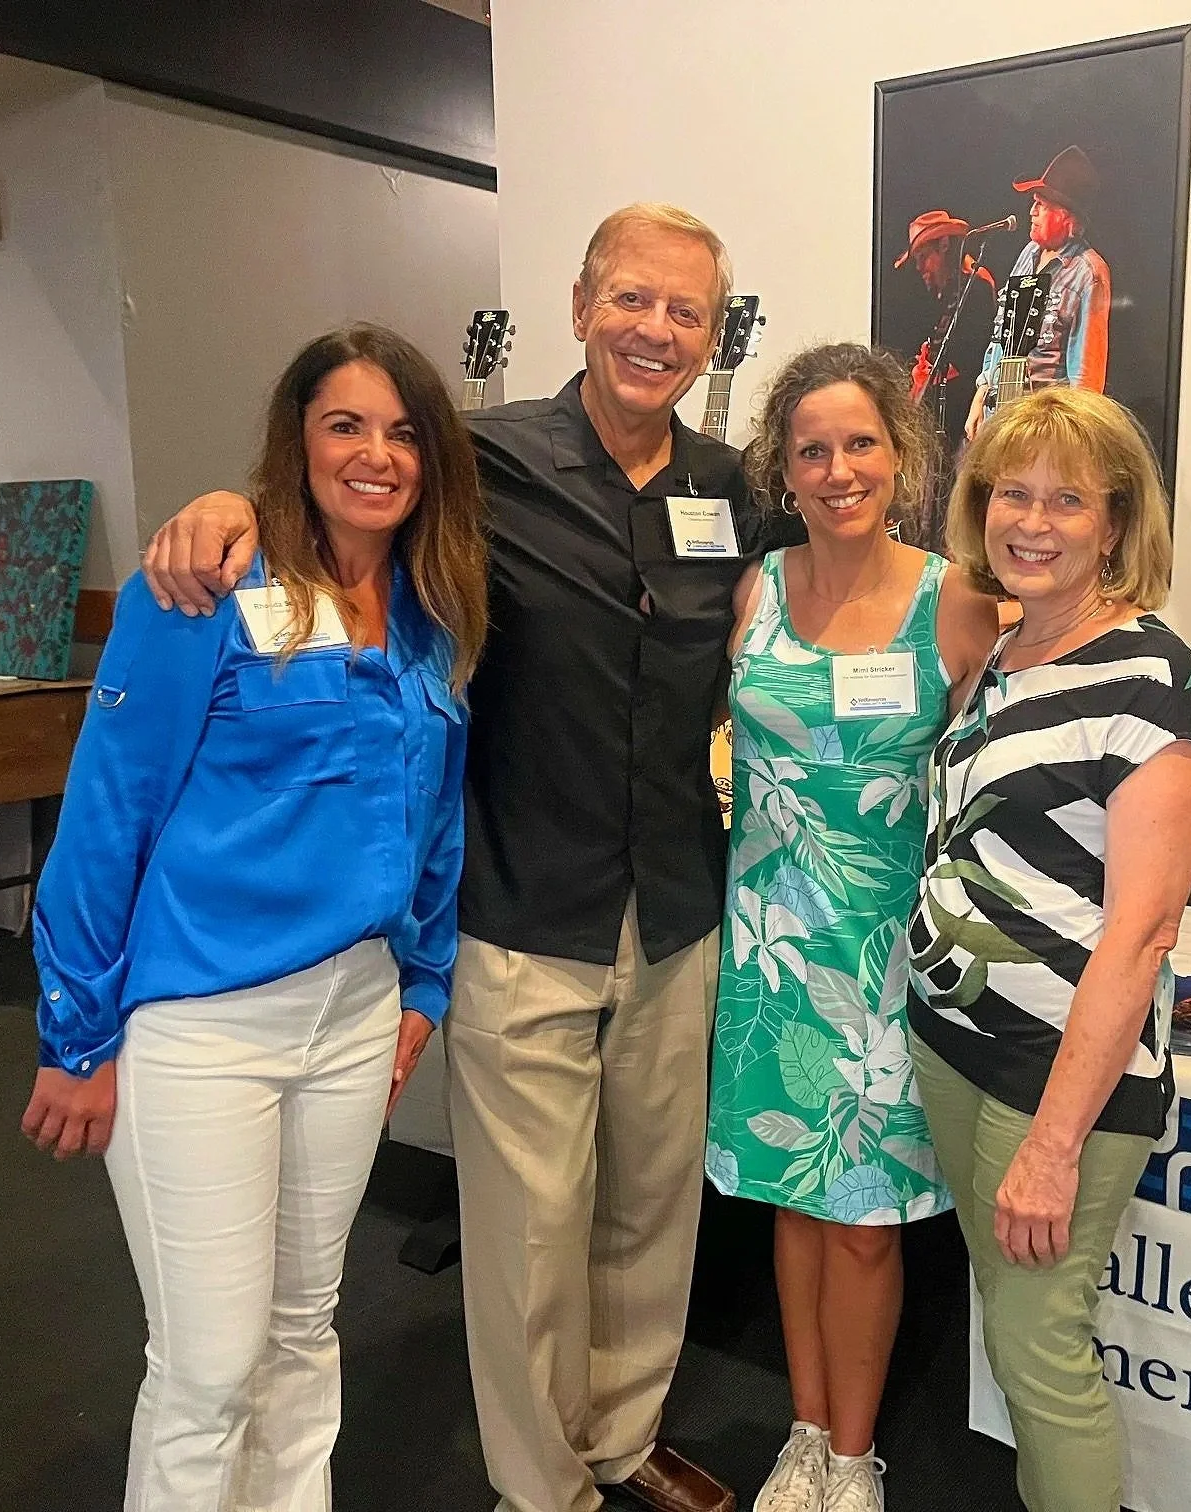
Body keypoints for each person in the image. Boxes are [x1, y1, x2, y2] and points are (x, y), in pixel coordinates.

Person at [138, 204, 793, 1512]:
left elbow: (821, 607)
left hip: (675, 911)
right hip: (518, 905)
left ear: (713, 335)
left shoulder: (730, 491)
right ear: (580, 306)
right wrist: (225, 505)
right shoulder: (480, 460)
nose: (656, 331)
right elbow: (342, 500)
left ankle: (621, 1435)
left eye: (685, 313)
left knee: (650, 1215)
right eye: (633, 300)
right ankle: (540, 1483)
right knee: (529, 1237)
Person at [19, 323, 485, 1510]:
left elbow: (433, 821)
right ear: (299, 440)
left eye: (403, 432)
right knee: (208, 1367)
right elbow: (107, 815)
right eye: (346, 424)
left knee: (302, 1332)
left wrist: (423, 986)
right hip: (200, 1025)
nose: (376, 453)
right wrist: (74, 1036)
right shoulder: (204, 590)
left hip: (354, 1017)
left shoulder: (430, 618)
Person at [908, 387, 1191, 1512]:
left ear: (1118, 527)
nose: (1031, 522)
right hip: (955, 1046)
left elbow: (1140, 937)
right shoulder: (1004, 652)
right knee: (1011, 1328)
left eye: (1068, 502)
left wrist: (1051, 1146)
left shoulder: (1148, 676)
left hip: (1058, 1084)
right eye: (1011, 494)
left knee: (1043, 1358)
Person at [706, 343, 998, 1512]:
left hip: (884, 956)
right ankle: (805, 1430)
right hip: (768, 940)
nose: (838, 470)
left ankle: (855, 1453)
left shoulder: (957, 600)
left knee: (867, 1223)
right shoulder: (757, 587)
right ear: (784, 467)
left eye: (860, 444)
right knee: (794, 1198)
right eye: (813, 450)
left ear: (901, 455)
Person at [966, 147, 1112, 440]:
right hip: (1002, 417)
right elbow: (1003, 334)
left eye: (1040, 205)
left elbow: (1085, 380)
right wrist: (982, 391)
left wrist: (1069, 439)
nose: (1031, 212)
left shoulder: (1089, 273)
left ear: (1065, 216)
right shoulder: (1029, 253)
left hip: (1044, 432)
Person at [894, 210, 998, 547]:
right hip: (943, 413)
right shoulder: (950, 294)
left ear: (944, 246)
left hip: (961, 417)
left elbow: (969, 359)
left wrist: (933, 371)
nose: (922, 269)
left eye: (925, 258)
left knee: (951, 492)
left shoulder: (976, 288)